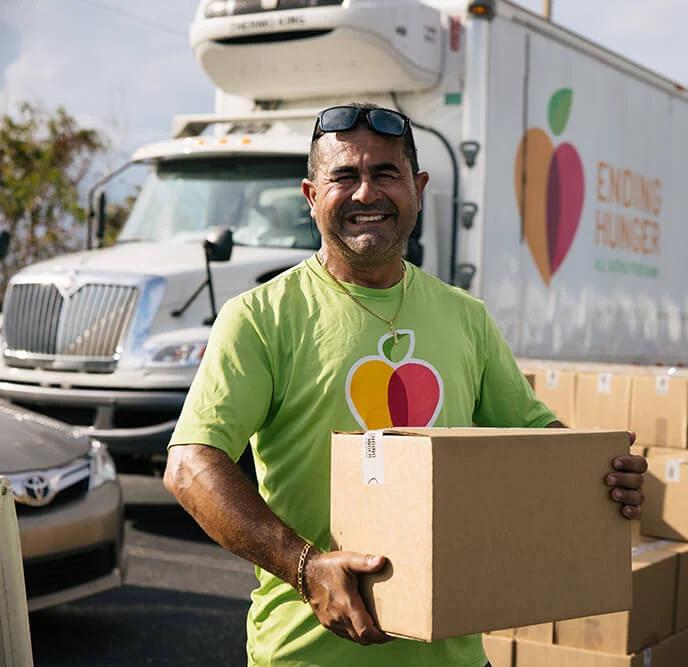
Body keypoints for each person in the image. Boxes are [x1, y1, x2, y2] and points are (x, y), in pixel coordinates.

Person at [162, 103, 646, 667]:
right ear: (311, 196)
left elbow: (537, 439)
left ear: (417, 188)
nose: (366, 193)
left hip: (456, 657)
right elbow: (191, 464)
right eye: (344, 176)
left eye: (385, 174)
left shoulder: (466, 317)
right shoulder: (262, 316)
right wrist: (306, 567)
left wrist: (598, 473)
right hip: (308, 658)